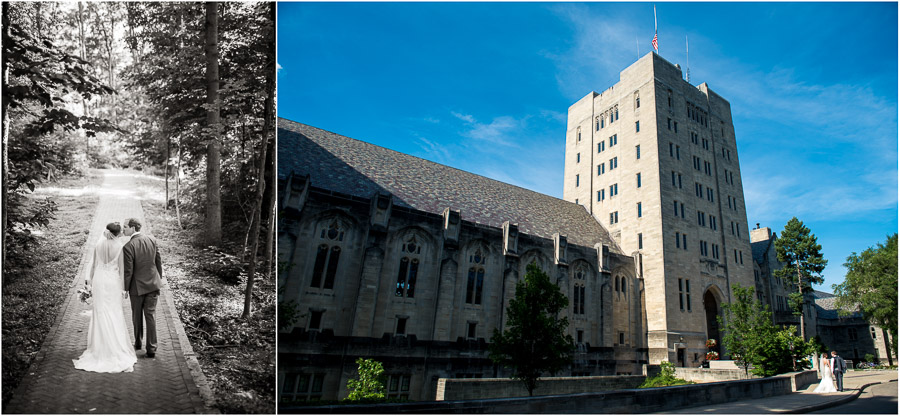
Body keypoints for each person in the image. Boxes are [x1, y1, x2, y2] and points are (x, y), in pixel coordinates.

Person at [73, 222, 138, 373]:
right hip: (113, 281)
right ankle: (114, 346)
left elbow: (94, 265)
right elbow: (122, 270)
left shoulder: (98, 245)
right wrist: (124, 289)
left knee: (100, 312)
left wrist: (89, 284)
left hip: (99, 279)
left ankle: (99, 348)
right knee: (114, 311)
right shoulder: (120, 247)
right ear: (117, 234)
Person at [122, 218, 163, 358]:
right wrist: (159, 279)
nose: (123, 230)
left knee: (136, 315)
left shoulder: (128, 246)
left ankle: (138, 343)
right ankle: (151, 348)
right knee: (150, 316)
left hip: (137, 287)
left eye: (125, 227)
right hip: (153, 284)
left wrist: (125, 289)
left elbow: (129, 271)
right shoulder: (152, 240)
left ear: (133, 228)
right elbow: (158, 261)